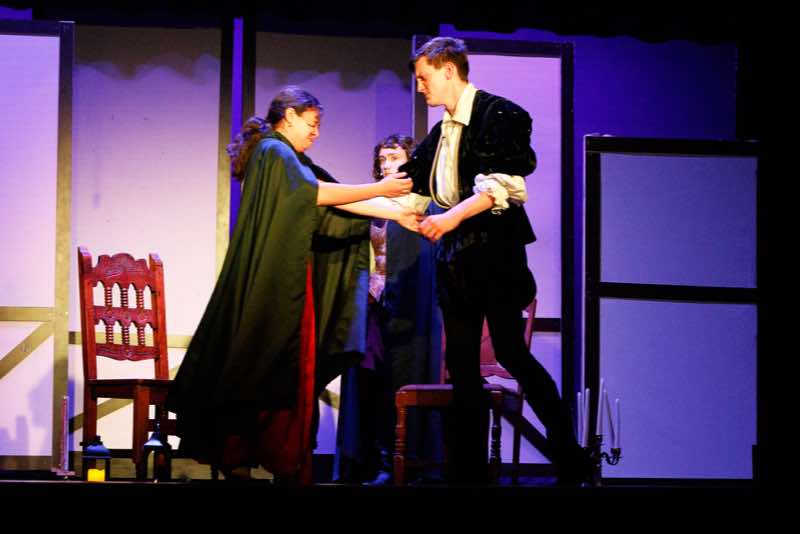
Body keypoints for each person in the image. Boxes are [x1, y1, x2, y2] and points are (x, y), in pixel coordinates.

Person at [166, 86, 419, 485]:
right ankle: (255, 456)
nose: (316, 132)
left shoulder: (290, 157)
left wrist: (397, 213)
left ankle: (276, 459)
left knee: (283, 367)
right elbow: (315, 194)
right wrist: (380, 190)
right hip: (277, 283)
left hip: (287, 279)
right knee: (269, 364)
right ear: (289, 117)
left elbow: (332, 203)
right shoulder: (274, 151)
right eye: (312, 123)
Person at [399, 37, 592, 485]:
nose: (421, 87)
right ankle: (466, 473)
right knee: (462, 365)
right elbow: (406, 185)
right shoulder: (442, 132)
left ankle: (568, 454)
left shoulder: (500, 114)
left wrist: (448, 218)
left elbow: (501, 187)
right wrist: (339, 197)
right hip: (456, 260)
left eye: (425, 78)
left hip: (495, 254)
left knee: (511, 352)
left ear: (448, 69)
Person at [335, 134, 443, 486]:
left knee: (404, 378)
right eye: (382, 159)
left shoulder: (424, 205)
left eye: (394, 157)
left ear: (410, 160)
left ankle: (408, 463)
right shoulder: (372, 203)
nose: (386, 165)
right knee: (370, 382)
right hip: (372, 308)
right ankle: (369, 460)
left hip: (408, 309)